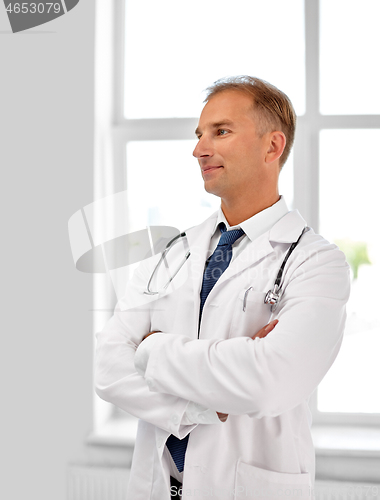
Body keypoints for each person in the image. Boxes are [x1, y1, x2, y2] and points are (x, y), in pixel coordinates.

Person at [94, 76, 350, 500]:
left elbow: (267, 382)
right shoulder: (173, 252)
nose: (199, 149)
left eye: (221, 131)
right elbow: (107, 366)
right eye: (199, 135)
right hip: (160, 486)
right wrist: (204, 403)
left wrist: (152, 348)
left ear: (273, 146)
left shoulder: (316, 262)